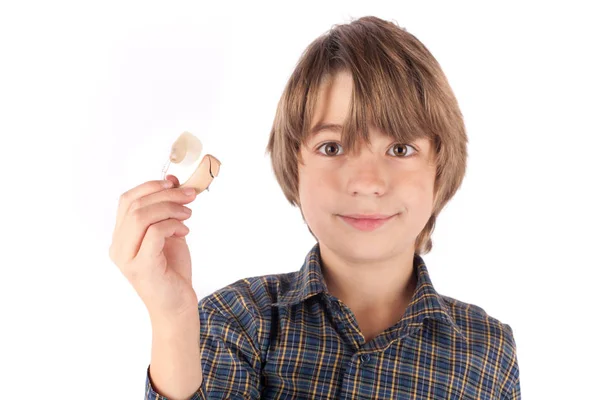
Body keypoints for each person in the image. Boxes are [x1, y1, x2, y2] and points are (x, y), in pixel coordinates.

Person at [109, 15, 520, 400]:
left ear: (440, 166)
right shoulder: (239, 321)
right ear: (295, 164)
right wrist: (172, 319)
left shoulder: (487, 349)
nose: (367, 182)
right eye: (332, 147)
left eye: (400, 148)